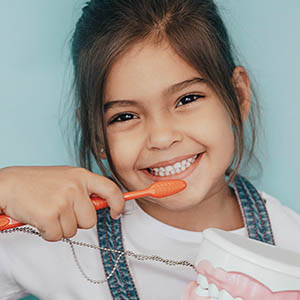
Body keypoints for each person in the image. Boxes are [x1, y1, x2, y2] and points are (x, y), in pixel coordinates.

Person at [0, 0, 300, 299]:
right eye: (125, 117)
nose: (161, 137)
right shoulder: (54, 239)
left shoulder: (293, 244)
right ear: (96, 134)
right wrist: (5, 186)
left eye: (187, 99)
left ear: (237, 96)